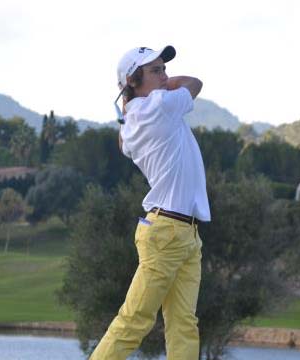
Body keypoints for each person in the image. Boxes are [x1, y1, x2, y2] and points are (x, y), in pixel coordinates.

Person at [89, 46, 210, 360]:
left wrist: (130, 97)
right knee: (135, 321)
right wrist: (153, 90)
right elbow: (195, 83)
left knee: (184, 324)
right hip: (167, 231)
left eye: (164, 69)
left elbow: (123, 141)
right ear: (133, 79)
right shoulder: (158, 105)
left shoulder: (132, 123)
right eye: (156, 70)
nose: (165, 75)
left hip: (183, 233)